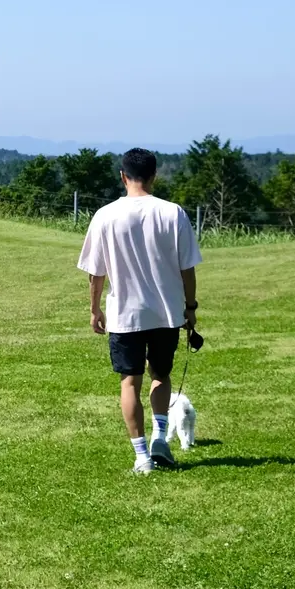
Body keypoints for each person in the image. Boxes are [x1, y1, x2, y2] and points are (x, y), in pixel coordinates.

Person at [77, 148, 202, 473]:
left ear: (123, 176)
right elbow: (188, 269)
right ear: (154, 175)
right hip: (166, 312)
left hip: (123, 314)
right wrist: (190, 308)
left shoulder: (105, 215)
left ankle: (142, 457)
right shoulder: (173, 213)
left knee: (129, 381)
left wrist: (94, 309)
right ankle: (161, 436)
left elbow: (96, 272)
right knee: (160, 376)